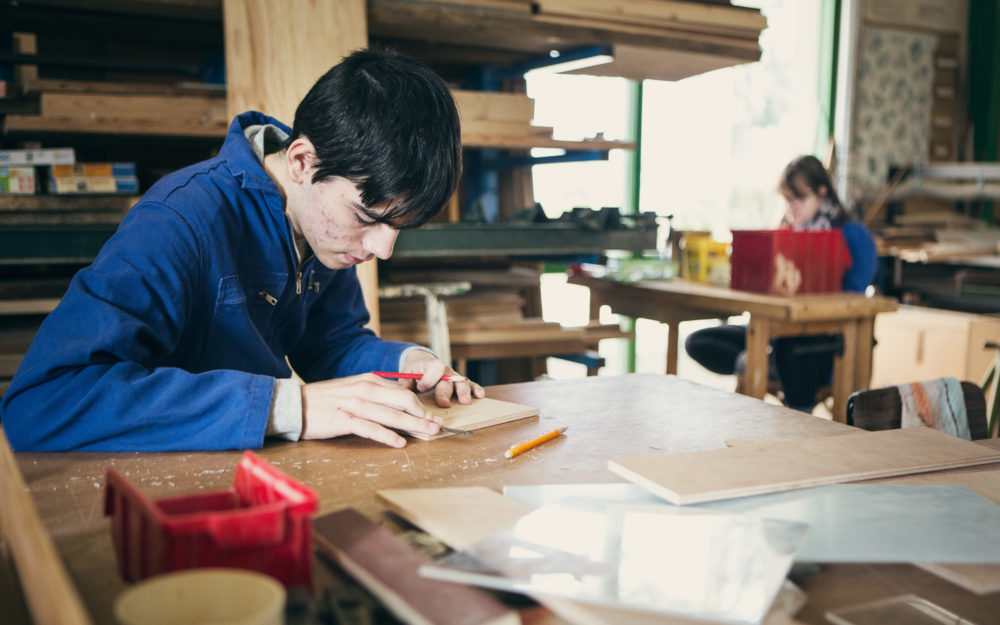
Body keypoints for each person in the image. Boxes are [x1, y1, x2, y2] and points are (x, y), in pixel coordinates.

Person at [1, 48, 485, 452]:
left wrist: (406, 363)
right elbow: (42, 402)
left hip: (255, 470)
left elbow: (330, 344)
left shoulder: (324, 227)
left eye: (399, 227)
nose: (383, 249)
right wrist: (286, 407)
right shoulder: (180, 221)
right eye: (367, 218)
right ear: (301, 161)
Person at [684, 154, 877, 412]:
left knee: (790, 348)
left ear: (822, 192)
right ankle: (758, 363)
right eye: (787, 201)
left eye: (799, 199)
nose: (791, 209)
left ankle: (790, 402)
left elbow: (853, 297)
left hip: (823, 339)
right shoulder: (786, 231)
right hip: (775, 329)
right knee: (699, 341)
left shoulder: (852, 234)